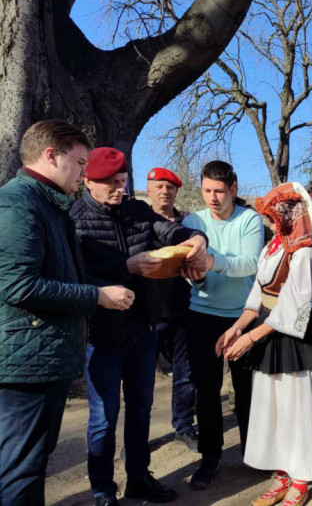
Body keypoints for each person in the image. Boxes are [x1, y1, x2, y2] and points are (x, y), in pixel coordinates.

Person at [0, 121, 135, 505]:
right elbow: (19, 285)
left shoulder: (48, 203)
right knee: (19, 468)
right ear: (50, 155)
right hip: (24, 364)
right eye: (78, 162)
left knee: (32, 462)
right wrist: (96, 296)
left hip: (42, 358)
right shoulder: (18, 203)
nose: (83, 171)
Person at [71, 147, 208, 506]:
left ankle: (138, 478)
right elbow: (74, 276)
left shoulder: (136, 209)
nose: (119, 189)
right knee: (103, 417)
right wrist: (126, 269)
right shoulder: (73, 217)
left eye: (122, 181)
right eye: (110, 184)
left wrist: (195, 239)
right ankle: (102, 489)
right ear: (88, 181)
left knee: (141, 408)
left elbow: (168, 230)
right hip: (99, 334)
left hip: (142, 328)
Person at [220, 183, 312, 506]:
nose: (270, 223)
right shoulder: (273, 247)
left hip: (291, 338)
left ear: (288, 214)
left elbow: (292, 307)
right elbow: (258, 294)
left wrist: (251, 337)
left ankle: (301, 479)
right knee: (273, 409)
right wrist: (236, 329)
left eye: (273, 216)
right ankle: (282, 473)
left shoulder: (304, 249)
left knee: (297, 410)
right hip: (268, 333)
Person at [181, 160, 264, 490]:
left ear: (233, 189)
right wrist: (197, 276)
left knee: (246, 391)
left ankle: (253, 451)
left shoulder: (249, 219)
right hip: (201, 316)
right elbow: (186, 270)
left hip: (241, 317)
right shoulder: (192, 221)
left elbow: (250, 263)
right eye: (206, 191)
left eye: (218, 191)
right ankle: (209, 457)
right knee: (206, 391)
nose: (212, 198)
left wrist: (211, 262)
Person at [145, 167, 198, 451]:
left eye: (169, 187)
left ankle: (184, 425)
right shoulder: (138, 222)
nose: (164, 191)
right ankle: (138, 434)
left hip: (184, 310)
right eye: (158, 186)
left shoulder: (188, 225)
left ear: (176, 191)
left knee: (185, 373)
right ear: (149, 188)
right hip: (148, 314)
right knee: (141, 378)